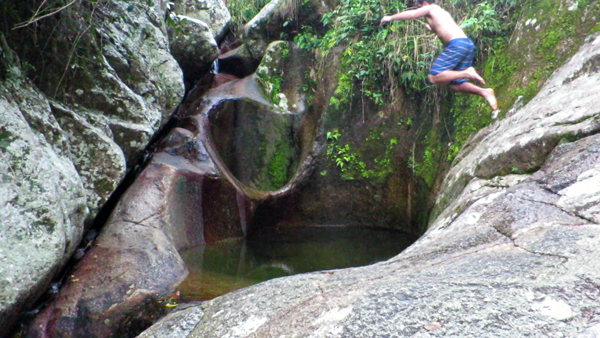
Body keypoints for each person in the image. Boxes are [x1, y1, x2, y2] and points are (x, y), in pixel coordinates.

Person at [380, 0, 498, 110]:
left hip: (457, 45)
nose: (419, 8)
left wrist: (390, 17)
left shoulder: (431, 8)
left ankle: (467, 72)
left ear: (425, 3)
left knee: (433, 76)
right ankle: (485, 92)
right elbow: (444, 28)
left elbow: (413, 14)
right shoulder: (440, 12)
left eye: (419, 6)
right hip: (466, 45)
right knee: (456, 85)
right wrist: (431, 28)